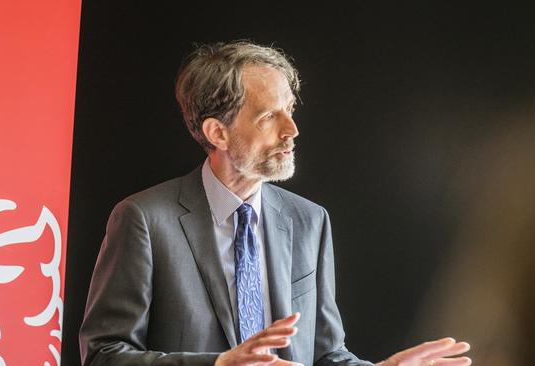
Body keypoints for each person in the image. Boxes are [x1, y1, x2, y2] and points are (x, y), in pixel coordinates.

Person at [79, 41, 472, 366]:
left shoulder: (309, 220)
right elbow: (103, 355)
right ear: (218, 132)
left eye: (291, 109)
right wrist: (218, 365)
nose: (292, 130)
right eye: (269, 116)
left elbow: (326, 354)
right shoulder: (144, 220)